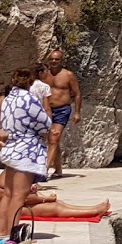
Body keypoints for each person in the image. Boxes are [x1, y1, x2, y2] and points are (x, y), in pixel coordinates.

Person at [0, 67, 51, 238]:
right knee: (19, 195)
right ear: (31, 82)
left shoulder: (7, 99)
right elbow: (46, 123)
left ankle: (2, 232)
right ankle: (13, 234)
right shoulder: (29, 99)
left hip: (11, 148)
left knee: (8, 194)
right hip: (25, 150)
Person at [41, 49, 81, 180]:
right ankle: (58, 170)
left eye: (57, 59)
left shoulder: (68, 75)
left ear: (62, 61)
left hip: (62, 109)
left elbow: (77, 94)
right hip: (46, 110)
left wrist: (77, 112)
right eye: (51, 59)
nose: (54, 61)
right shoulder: (43, 75)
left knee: (54, 137)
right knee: (53, 140)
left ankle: (44, 171)